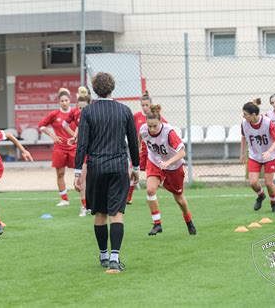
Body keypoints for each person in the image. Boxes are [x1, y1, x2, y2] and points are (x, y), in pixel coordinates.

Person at [74, 72, 140, 274]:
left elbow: (82, 143)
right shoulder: (125, 110)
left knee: (100, 213)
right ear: (113, 87)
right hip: (119, 167)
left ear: (94, 89)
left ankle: (103, 255)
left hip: (96, 167)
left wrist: (78, 172)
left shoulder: (88, 112)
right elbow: (133, 142)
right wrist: (136, 168)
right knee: (117, 213)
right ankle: (114, 257)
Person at [139, 104, 197, 236]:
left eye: (155, 126)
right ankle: (157, 224)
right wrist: (141, 160)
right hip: (155, 162)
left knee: (180, 199)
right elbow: (142, 142)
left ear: (160, 121)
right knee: (150, 189)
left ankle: (189, 221)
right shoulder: (143, 130)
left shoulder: (169, 132)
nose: (152, 129)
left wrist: (168, 163)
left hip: (173, 166)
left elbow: (182, 153)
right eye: (150, 126)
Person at [240, 98, 275, 212]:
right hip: (254, 155)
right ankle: (261, 195)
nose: (244, 117)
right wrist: (242, 153)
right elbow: (243, 137)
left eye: (245, 114)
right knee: (253, 182)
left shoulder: (267, 122)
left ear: (253, 115)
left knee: (268, 182)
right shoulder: (244, 124)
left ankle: (274, 203)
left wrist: (269, 151)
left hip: (270, 156)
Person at [38, 88, 77, 207]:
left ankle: (85, 201)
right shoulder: (54, 114)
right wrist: (53, 136)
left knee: (80, 173)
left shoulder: (75, 112)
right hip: (59, 148)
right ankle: (64, 199)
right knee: (60, 174)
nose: (64, 102)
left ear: (70, 100)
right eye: (62, 101)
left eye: (66, 100)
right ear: (59, 102)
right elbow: (41, 126)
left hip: (74, 147)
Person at [128, 91, 168, 204]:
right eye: (143, 105)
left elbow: (166, 127)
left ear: (151, 105)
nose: (145, 107)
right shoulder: (136, 116)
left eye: (147, 105)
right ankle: (128, 197)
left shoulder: (156, 118)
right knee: (132, 172)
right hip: (140, 150)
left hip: (153, 151)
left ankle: (156, 189)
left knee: (152, 174)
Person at [64, 86, 91, 216]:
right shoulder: (77, 114)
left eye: (84, 108)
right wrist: (74, 137)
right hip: (83, 150)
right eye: (80, 108)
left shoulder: (94, 115)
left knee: (96, 179)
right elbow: (76, 127)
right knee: (81, 178)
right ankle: (84, 206)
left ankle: (94, 204)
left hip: (96, 150)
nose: (82, 110)